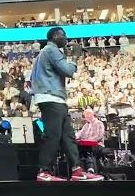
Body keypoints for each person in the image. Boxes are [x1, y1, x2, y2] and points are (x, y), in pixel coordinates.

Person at [30, 27, 103, 181]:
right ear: (55, 36)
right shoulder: (52, 50)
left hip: (54, 98)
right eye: (63, 35)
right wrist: (74, 62)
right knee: (53, 135)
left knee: (68, 136)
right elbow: (68, 70)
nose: (66, 38)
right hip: (51, 97)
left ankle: (77, 170)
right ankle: (44, 171)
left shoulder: (44, 53)